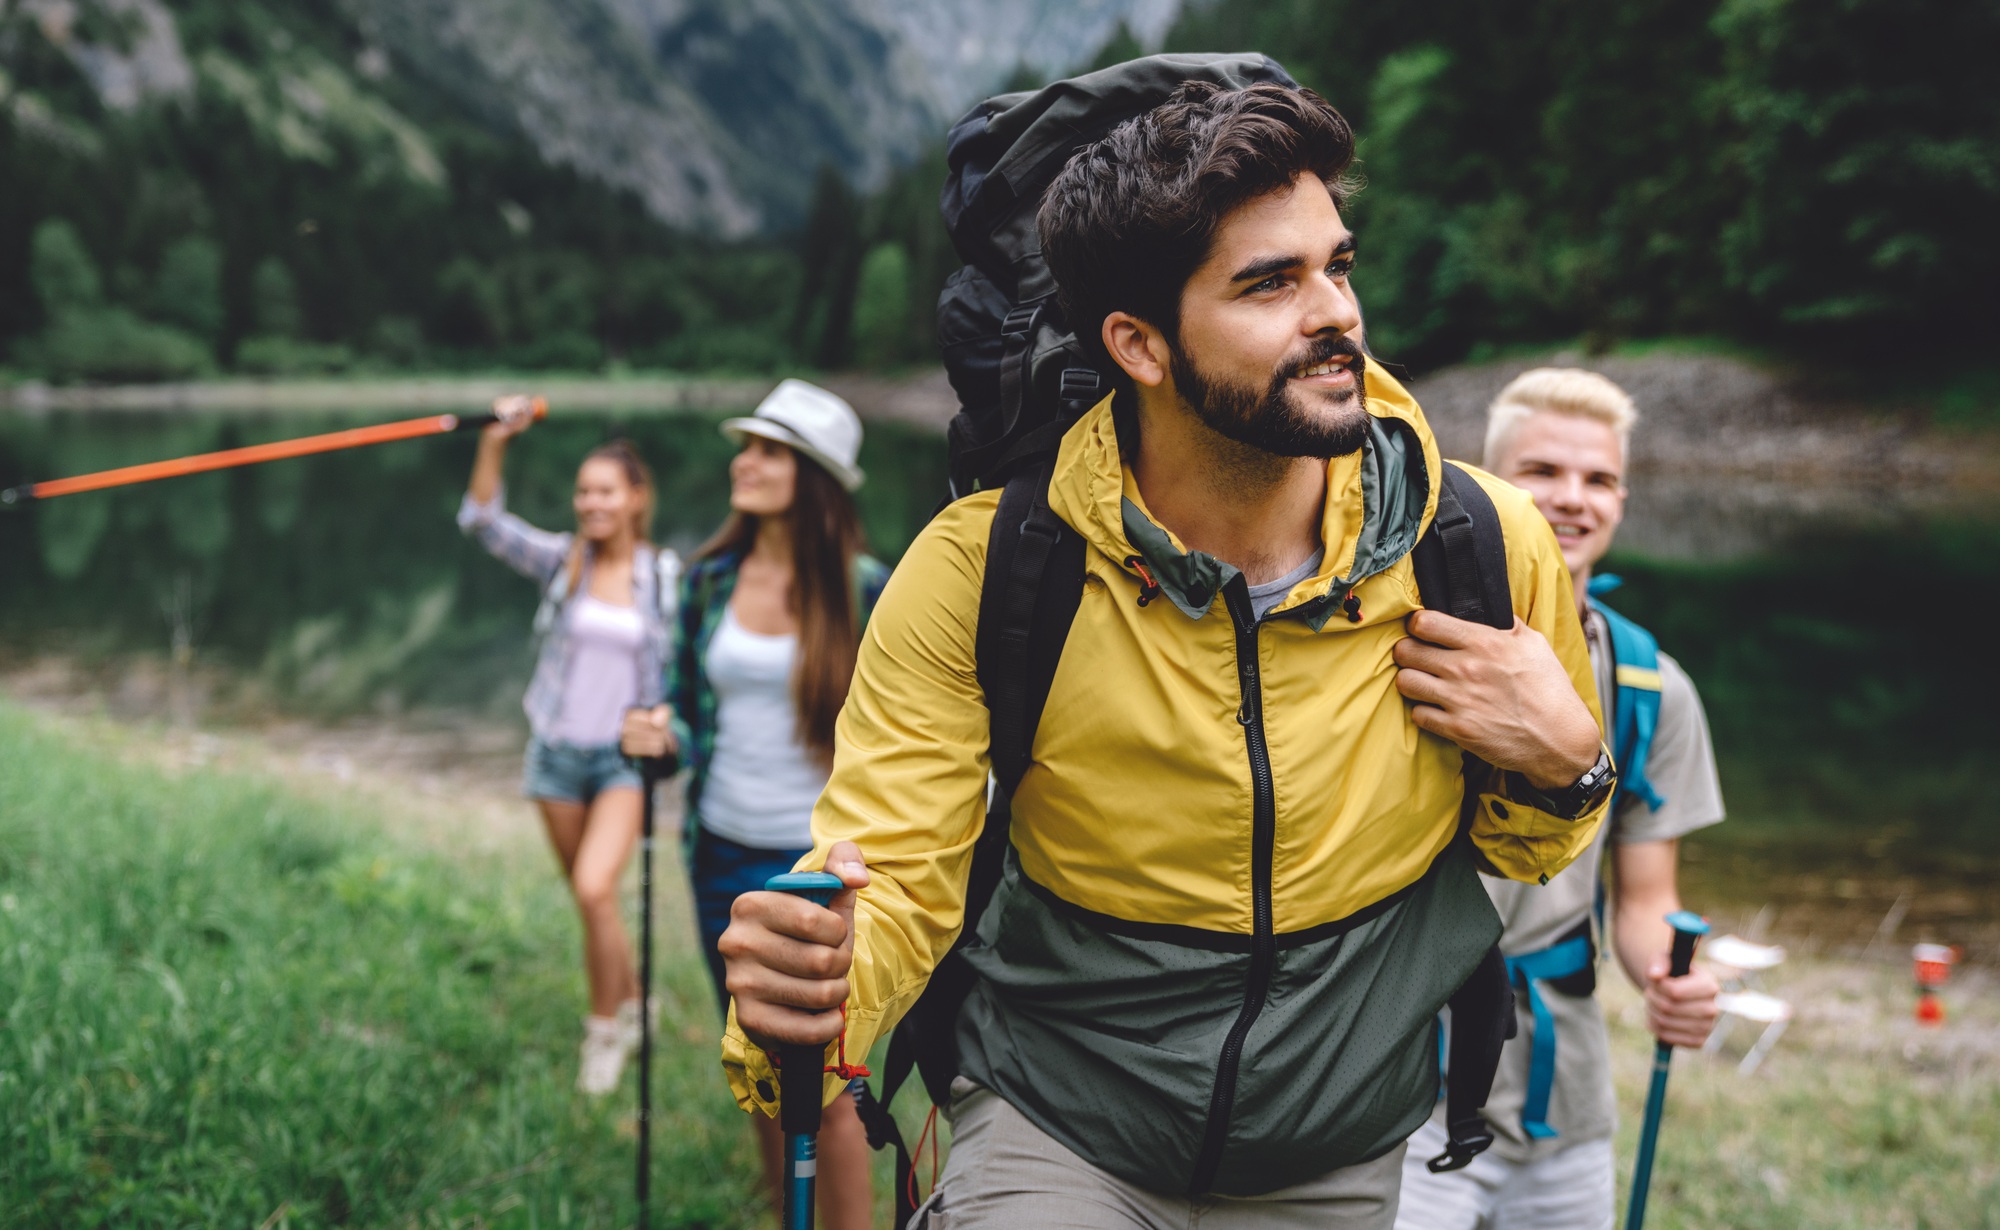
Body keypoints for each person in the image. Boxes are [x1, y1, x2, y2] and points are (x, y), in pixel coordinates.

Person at [703, 82, 1617, 1229]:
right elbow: (893, 868)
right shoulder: (986, 569)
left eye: (1336, 265)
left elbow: (1523, 846)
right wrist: (814, 983)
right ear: (1136, 343)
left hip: (1331, 1157)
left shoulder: (1476, 543)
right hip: (1054, 1121)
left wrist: (1569, 759)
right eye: (1268, 283)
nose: (1334, 312)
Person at [1395, 368, 1726, 1229]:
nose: (1573, 499)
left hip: (1566, 1105)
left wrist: (1671, 976)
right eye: (1543, 471)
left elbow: (1649, 901)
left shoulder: (1654, 687)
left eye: (1600, 478)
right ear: (1488, 482)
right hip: (1403, 1089)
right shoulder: (1411, 646)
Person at [621, 379, 887, 1229]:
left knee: (831, 1090)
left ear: (812, 476)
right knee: (759, 1075)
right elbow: (690, 714)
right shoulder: (707, 580)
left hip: (819, 871)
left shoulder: (870, 588)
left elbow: (909, 743)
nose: (746, 461)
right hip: (721, 857)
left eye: (770, 450)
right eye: (747, 445)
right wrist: (663, 739)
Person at [458, 397, 677, 1095]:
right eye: (584, 491)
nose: (591, 502)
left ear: (637, 498)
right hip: (555, 752)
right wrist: (495, 440)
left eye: (606, 490)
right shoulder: (565, 562)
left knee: (593, 888)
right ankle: (640, 1000)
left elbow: (688, 663)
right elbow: (482, 521)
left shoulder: (666, 578)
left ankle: (603, 1033)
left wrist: (669, 716)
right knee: (593, 902)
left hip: (622, 760)